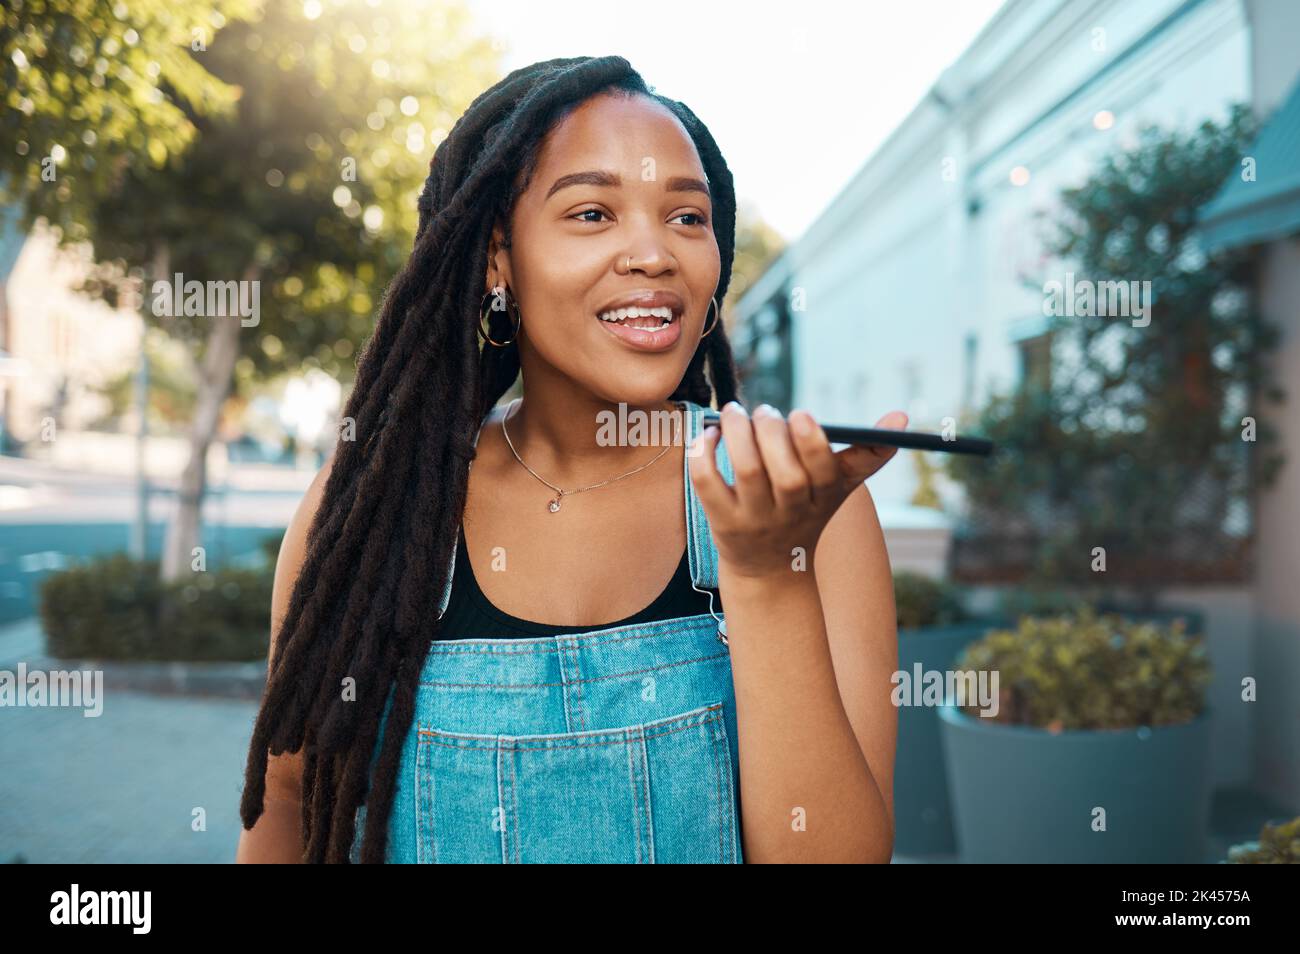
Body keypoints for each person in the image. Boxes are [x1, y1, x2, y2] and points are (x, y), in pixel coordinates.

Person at [236, 55, 905, 864]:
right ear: (497, 258)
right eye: (592, 213)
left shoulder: (808, 509)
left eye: (687, 218)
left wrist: (767, 575)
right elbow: (285, 807)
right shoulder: (372, 512)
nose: (654, 254)